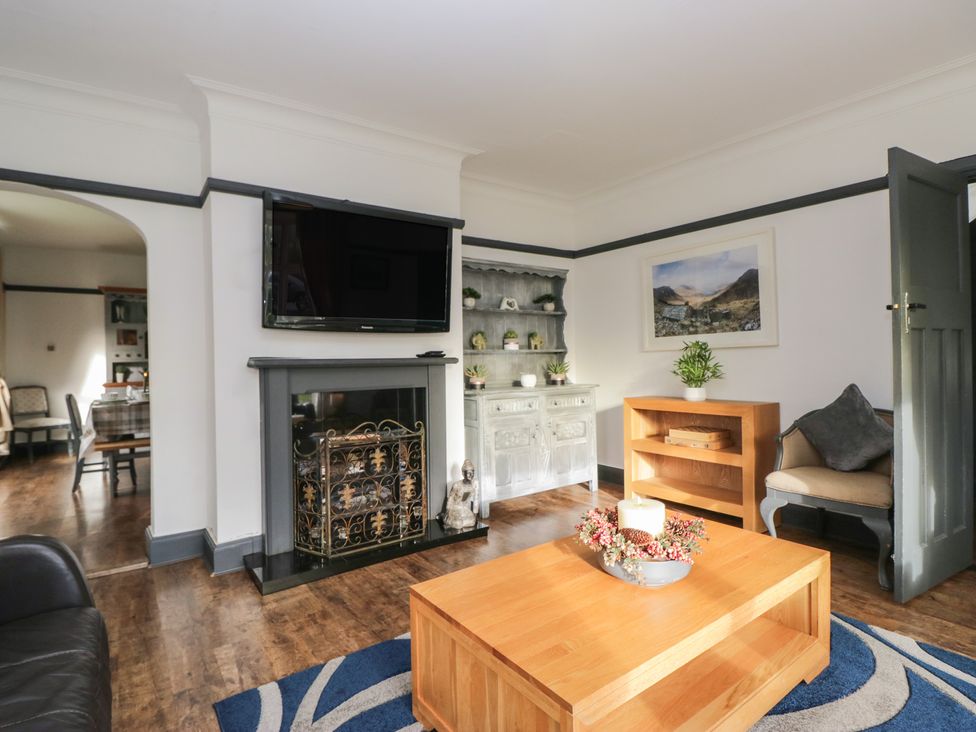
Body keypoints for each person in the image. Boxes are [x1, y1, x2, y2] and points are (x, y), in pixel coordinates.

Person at [444, 459, 479, 529]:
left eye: (473, 472)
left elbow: (476, 499)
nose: (471, 475)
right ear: (463, 473)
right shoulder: (456, 485)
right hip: (455, 508)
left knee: (472, 522)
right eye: (469, 473)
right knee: (458, 524)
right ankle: (444, 518)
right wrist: (447, 512)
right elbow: (450, 500)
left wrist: (475, 514)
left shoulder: (475, 484)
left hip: (465, 509)